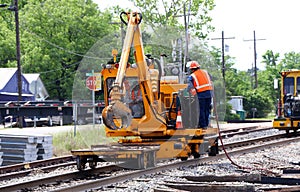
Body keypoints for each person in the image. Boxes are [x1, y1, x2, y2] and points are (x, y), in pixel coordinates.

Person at [186, 61, 213, 128]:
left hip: (201, 94)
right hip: (209, 93)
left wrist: (188, 91)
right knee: (207, 110)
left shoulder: (192, 76)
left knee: (201, 110)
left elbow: (189, 86)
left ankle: (202, 125)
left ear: (192, 69)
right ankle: (207, 124)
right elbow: (211, 80)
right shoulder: (206, 72)